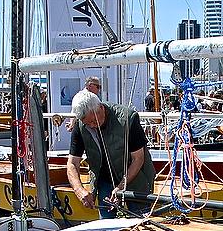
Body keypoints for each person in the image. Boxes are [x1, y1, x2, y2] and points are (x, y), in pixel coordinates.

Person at [66, 90, 156, 219]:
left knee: (141, 224)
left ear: (101, 107)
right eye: (88, 123)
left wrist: (120, 187)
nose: (93, 126)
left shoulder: (128, 118)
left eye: (94, 121)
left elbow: (138, 159)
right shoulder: (80, 126)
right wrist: (79, 190)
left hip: (137, 179)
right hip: (104, 181)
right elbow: (72, 163)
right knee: (106, 225)